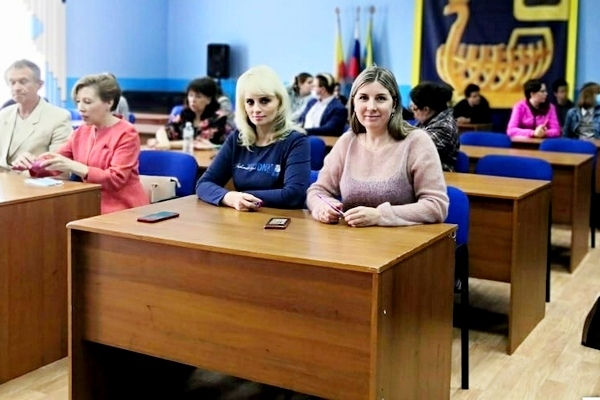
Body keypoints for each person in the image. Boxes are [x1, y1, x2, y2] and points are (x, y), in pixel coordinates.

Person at [306, 66, 449, 227]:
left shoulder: (417, 142)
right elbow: (317, 192)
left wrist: (380, 215)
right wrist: (323, 207)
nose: (371, 107)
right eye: (363, 98)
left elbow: (436, 205)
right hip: (350, 239)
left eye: (380, 98)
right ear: (353, 102)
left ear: (394, 104)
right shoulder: (347, 141)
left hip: (402, 240)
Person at [13, 74, 148, 214]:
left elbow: (116, 179)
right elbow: (56, 162)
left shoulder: (127, 133)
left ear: (109, 102)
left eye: (87, 102)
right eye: (78, 102)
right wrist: (32, 163)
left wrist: (75, 167)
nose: (80, 108)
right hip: (88, 204)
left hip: (123, 209)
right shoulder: (81, 131)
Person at [196, 65, 311, 210]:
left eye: (265, 101)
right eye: (250, 102)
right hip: (244, 218)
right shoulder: (237, 139)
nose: (256, 109)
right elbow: (203, 184)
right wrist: (229, 197)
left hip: (282, 220)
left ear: (280, 102)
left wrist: (242, 196)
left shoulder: (296, 141)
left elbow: (294, 195)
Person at [1, 59, 72, 170]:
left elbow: (60, 168)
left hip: (32, 179)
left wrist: (34, 164)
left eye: (23, 82)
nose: (16, 88)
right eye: (12, 83)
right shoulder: (3, 115)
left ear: (39, 85)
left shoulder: (59, 117)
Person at [152, 77, 232, 149]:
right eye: (190, 95)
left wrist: (166, 144)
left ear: (209, 100)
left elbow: (199, 143)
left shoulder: (219, 118)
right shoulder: (185, 114)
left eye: (198, 96)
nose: (193, 100)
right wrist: (163, 142)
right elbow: (163, 130)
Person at [409, 81, 459, 171]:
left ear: (426, 110)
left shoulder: (444, 127)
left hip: (439, 174)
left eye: (414, 108)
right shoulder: (428, 119)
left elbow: (412, 148)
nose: (413, 112)